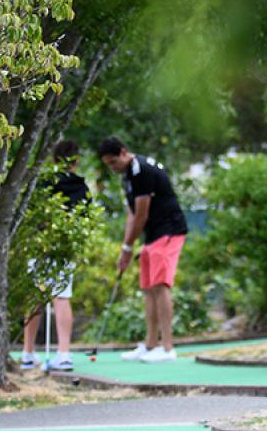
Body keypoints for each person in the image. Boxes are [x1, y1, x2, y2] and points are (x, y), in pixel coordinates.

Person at [98, 136, 189, 363]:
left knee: (160, 285)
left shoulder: (142, 170)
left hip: (169, 231)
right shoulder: (128, 176)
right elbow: (131, 214)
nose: (112, 168)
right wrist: (125, 247)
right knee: (148, 287)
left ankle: (167, 348)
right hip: (152, 234)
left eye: (113, 162)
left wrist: (129, 248)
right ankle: (150, 345)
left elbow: (141, 214)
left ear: (123, 152)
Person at [20, 139, 91, 372]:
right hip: (63, 249)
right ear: (76, 160)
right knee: (62, 296)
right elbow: (86, 220)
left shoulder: (43, 183)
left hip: (39, 246)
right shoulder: (82, 188)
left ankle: (28, 353)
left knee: (35, 298)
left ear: (53, 159)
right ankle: (63, 353)